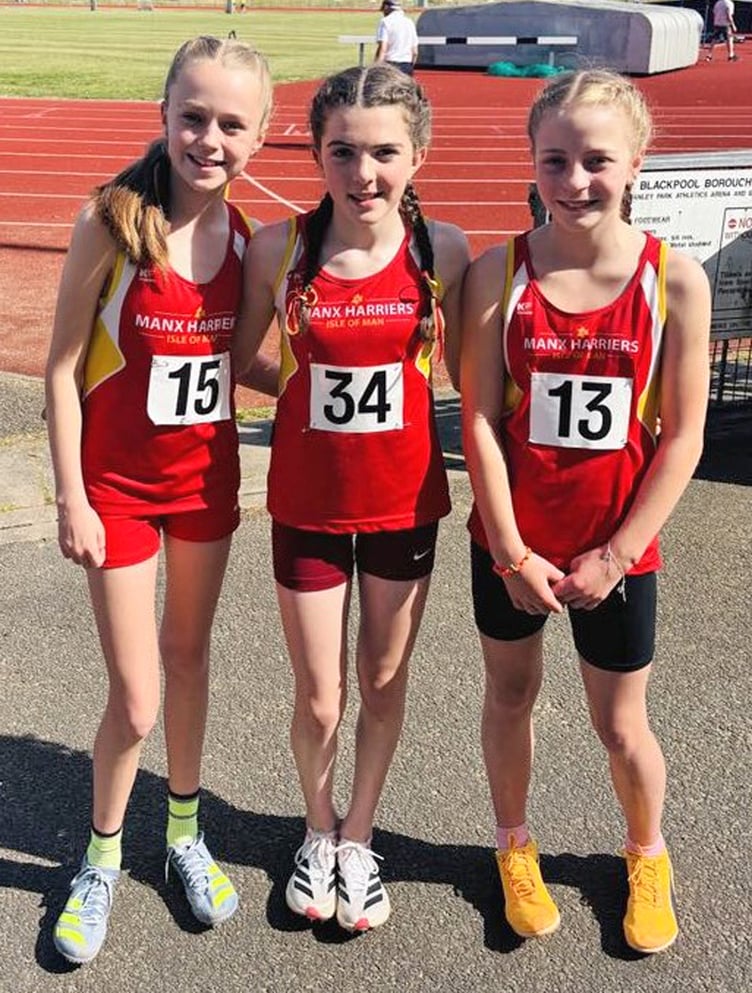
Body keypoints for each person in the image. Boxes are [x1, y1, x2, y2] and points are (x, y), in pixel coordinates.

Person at [460, 69, 710, 954]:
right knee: (511, 694)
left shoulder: (675, 282)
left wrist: (616, 553)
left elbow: (682, 439)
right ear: (532, 162)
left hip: (618, 553)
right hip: (513, 548)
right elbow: (480, 422)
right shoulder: (500, 272)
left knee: (619, 723)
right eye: (554, 160)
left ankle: (647, 852)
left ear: (636, 162)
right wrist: (510, 551)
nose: (573, 181)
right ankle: (513, 846)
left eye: (596, 160)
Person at [45, 35, 273, 964]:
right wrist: (70, 495)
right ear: (164, 114)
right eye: (193, 116)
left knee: (189, 657)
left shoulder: (250, 241)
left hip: (208, 488)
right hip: (119, 492)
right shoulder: (113, 221)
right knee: (136, 696)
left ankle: (182, 832)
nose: (208, 138)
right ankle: (99, 857)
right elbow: (61, 368)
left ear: (259, 137)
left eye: (230, 124)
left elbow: (244, 363)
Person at [233, 64, 469, 932]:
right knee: (320, 692)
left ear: (417, 154)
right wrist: (300, 388)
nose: (362, 173)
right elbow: (243, 360)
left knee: (381, 674)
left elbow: (472, 378)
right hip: (305, 501)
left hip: (406, 501)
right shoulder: (278, 248)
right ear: (319, 154)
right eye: (342, 152)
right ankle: (317, 828)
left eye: (382, 153)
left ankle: (360, 836)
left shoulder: (441, 249)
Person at [374, 0, 419, 76]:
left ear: (386, 7)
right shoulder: (409, 22)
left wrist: (376, 68)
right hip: (406, 65)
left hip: (390, 65)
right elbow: (415, 52)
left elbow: (383, 49)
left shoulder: (385, 22)